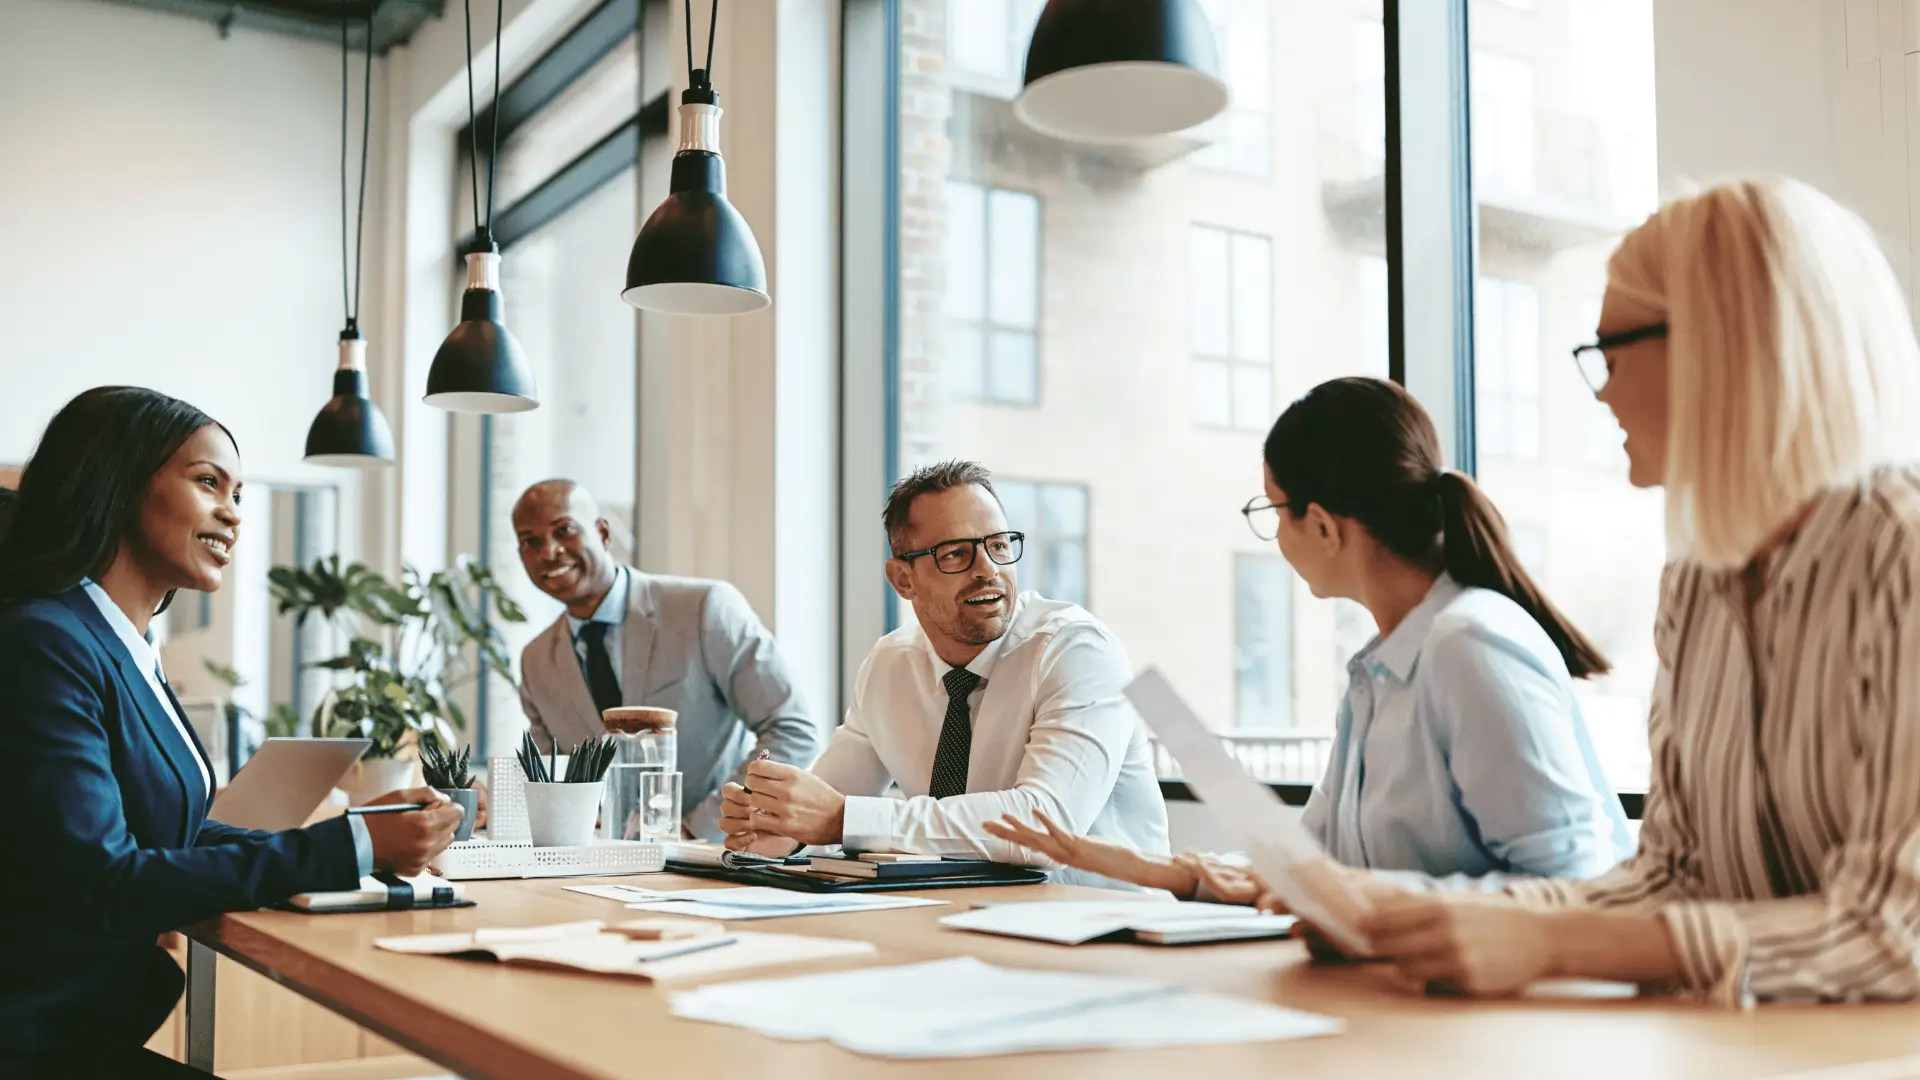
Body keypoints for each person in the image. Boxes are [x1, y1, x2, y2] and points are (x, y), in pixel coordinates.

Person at [1356, 177, 1920, 1006]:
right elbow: (1671, 878)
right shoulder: (1697, 585)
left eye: (1610, 354)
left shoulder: (1901, 555)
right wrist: (1423, 918)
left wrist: (1551, 944)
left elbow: (1894, 931)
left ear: (1722, 345)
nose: (1604, 391)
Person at [986, 378, 1632, 900]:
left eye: (1272, 510)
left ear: (1322, 525)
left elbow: (1573, 886)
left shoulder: (1469, 647)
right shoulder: (1375, 672)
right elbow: (1316, 867)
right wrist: (1162, 870)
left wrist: (1366, 898)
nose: (1272, 537)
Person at [0, 387, 463, 1077]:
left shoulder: (118, 644)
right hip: (42, 1044)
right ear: (119, 483)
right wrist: (352, 844)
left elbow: (167, 832)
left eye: (239, 493)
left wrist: (352, 837)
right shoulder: (47, 641)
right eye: (208, 482)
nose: (233, 513)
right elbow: (104, 881)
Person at [716, 460, 1169, 885]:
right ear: (903, 580)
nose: (988, 570)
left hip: (1104, 932)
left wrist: (841, 820)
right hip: (961, 918)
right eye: (956, 554)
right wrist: (779, 826)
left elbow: (1045, 824)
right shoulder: (890, 664)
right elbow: (829, 797)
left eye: (998, 545)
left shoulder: (1076, 650)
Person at [512, 479, 821, 840]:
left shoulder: (704, 608)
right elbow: (553, 781)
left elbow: (792, 731)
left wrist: (704, 826)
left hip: (714, 854)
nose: (548, 552)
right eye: (530, 542)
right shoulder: (535, 662)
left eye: (564, 531)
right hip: (598, 866)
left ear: (603, 533)